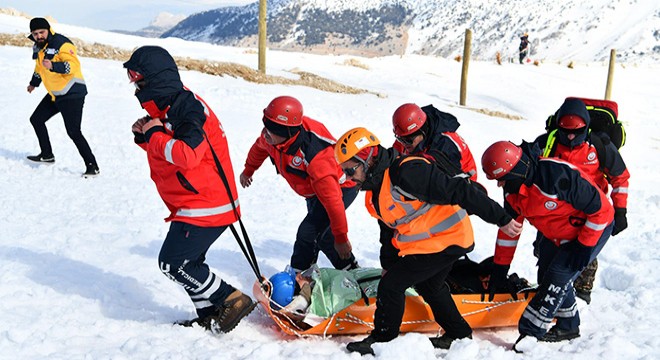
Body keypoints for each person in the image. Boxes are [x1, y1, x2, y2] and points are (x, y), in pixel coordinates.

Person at [334, 128, 522, 355]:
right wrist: (388, 265)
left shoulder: (407, 173)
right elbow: (388, 231)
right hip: (429, 244)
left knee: (392, 285)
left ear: (368, 158)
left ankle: (383, 341)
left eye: (350, 170)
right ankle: (458, 334)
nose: (349, 177)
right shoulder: (376, 190)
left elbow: (460, 190)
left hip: (448, 239)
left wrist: (500, 218)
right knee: (430, 286)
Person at [124, 45, 254, 333]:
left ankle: (232, 298)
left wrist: (154, 133)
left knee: (173, 263)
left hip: (207, 204)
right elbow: (174, 150)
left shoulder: (187, 109)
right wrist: (146, 136)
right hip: (196, 201)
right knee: (188, 262)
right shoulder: (173, 104)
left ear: (155, 80)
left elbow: (186, 155)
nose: (135, 87)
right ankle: (208, 312)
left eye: (139, 81)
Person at [481, 141, 614, 351]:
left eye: (502, 179)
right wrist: (500, 268)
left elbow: (602, 210)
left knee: (556, 278)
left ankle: (530, 334)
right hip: (555, 234)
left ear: (516, 171)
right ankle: (568, 326)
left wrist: (584, 245)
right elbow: (510, 230)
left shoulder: (557, 177)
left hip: (590, 230)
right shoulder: (512, 191)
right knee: (545, 274)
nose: (499, 185)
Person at [239, 96, 359, 272]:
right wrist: (249, 170)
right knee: (323, 235)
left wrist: (342, 238)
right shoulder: (272, 137)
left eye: (274, 128)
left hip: (340, 188)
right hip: (314, 191)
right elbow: (259, 148)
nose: (266, 132)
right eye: (266, 123)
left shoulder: (315, 156)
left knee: (308, 233)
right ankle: (352, 271)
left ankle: (298, 278)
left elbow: (333, 202)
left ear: (290, 131)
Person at [533, 98, 630, 303]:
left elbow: (620, 178)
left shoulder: (600, 145)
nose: (570, 136)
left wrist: (620, 211)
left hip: (592, 210)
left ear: (585, 127)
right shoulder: (546, 143)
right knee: (545, 251)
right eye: (564, 130)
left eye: (576, 131)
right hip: (554, 210)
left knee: (585, 250)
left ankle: (582, 292)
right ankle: (548, 289)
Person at [26, 17, 99, 177]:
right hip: (56, 94)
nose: (39, 36)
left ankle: (92, 166)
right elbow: (39, 67)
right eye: (35, 33)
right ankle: (47, 155)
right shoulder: (39, 47)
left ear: (48, 30)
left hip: (72, 93)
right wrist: (33, 83)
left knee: (73, 131)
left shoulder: (62, 43)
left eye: (41, 32)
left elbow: (73, 66)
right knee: (36, 119)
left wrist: (53, 66)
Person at [391, 103, 478, 181]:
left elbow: (451, 186)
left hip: (461, 181)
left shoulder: (445, 146)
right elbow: (394, 159)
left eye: (408, 140)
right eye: (400, 139)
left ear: (423, 132)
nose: (404, 144)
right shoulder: (408, 135)